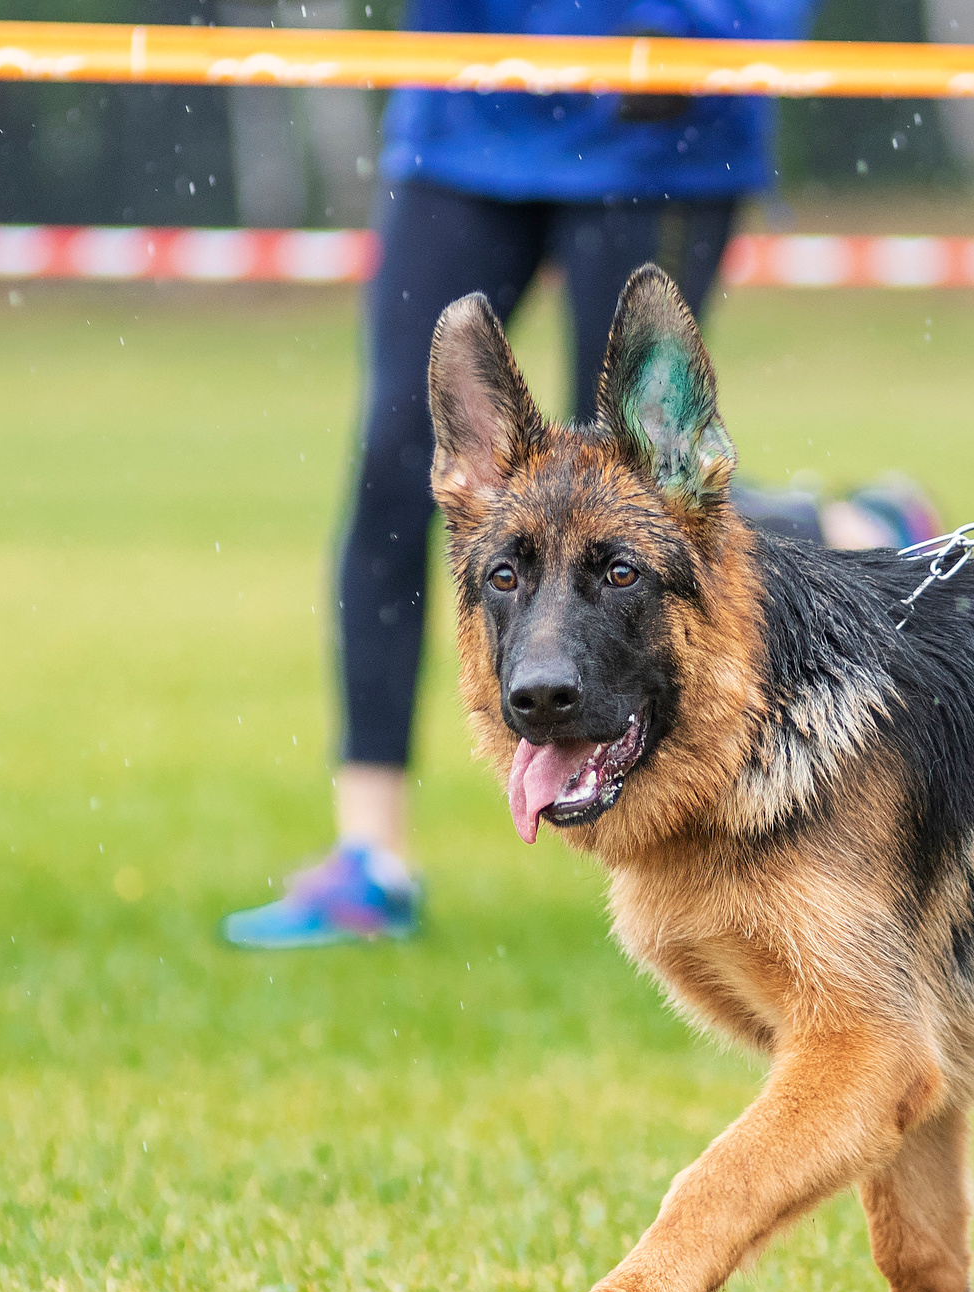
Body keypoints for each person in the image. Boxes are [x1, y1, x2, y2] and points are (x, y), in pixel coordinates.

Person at [222, 0, 934, 949]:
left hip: (655, 127)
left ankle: (862, 532)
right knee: (400, 476)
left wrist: (701, 33)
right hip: (465, 116)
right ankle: (371, 859)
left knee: (639, 494)